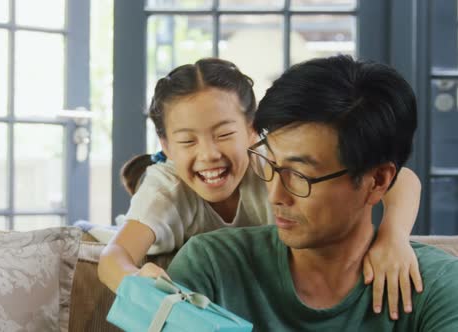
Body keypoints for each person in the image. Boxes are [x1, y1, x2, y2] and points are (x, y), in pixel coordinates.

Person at [98, 58, 422, 319]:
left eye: (224, 134)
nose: (209, 154)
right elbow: (114, 256)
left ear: (253, 131)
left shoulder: (267, 162)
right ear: (166, 145)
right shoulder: (166, 189)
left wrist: (393, 237)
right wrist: (136, 284)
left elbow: (400, 178)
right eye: (187, 141)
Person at [167, 55, 458, 330]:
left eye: (300, 175)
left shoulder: (436, 289)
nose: (276, 195)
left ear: (378, 180)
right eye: (271, 164)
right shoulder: (212, 267)